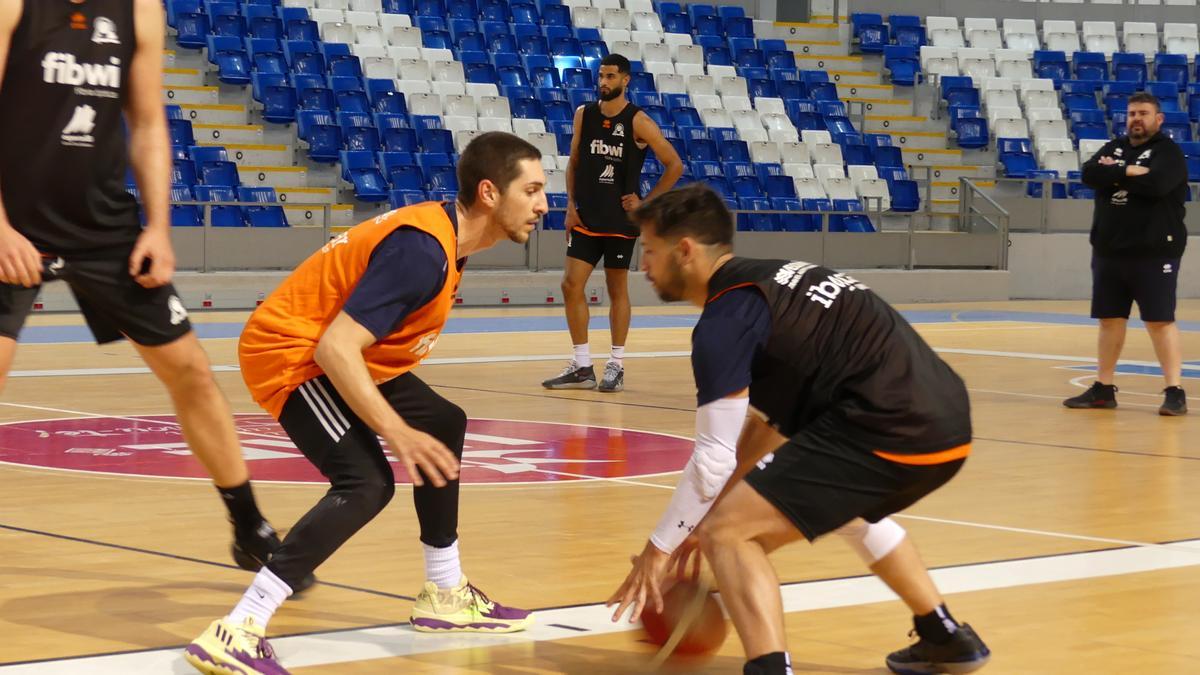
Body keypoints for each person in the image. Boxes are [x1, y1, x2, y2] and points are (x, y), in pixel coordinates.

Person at [184, 132, 545, 675]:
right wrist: (395, 430)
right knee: (368, 483)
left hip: (347, 352)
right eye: (534, 189)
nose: (544, 205)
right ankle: (239, 627)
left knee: (444, 422)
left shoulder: (447, 240)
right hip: (294, 354)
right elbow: (335, 349)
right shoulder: (422, 252)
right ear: (491, 193)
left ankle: (445, 593)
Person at [606, 184, 991, 675]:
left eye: (650, 251)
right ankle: (945, 637)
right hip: (946, 421)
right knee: (842, 508)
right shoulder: (774, 283)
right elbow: (768, 428)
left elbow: (712, 458)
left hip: (887, 425)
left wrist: (659, 549)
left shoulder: (725, 321)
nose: (644, 265)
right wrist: (699, 516)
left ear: (685, 251)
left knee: (731, 534)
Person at [0, 0, 290, 575]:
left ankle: (249, 527)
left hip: (103, 226)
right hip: (13, 221)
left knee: (191, 372)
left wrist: (158, 225)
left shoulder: (140, 9)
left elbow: (149, 121)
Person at [541, 53, 683, 393]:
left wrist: (646, 204)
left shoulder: (638, 121)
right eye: (601, 76)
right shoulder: (583, 115)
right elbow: (574, 162)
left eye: (611, 77)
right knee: (570, 285)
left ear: (625, 80)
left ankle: (616, 364)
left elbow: (674, 165)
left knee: (616, 289)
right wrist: (570, 207)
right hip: (586, 216)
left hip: (621, 221)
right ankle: (582, 365)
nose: (603, 82)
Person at [1067, 92, 1188, 415]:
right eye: (1132, 113)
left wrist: (1116, 173)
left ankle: (1174, 390)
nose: (1136, 118)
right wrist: (1130, 170)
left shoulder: (1169, 152)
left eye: (1143, 113)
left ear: (1158, 119)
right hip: (1109, 251)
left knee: (1160, 321)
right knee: (1109, 320)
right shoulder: (1115, 147)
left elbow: (1158, 185)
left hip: (1154, 252)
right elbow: (1090, 174)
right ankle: (1103, 389)